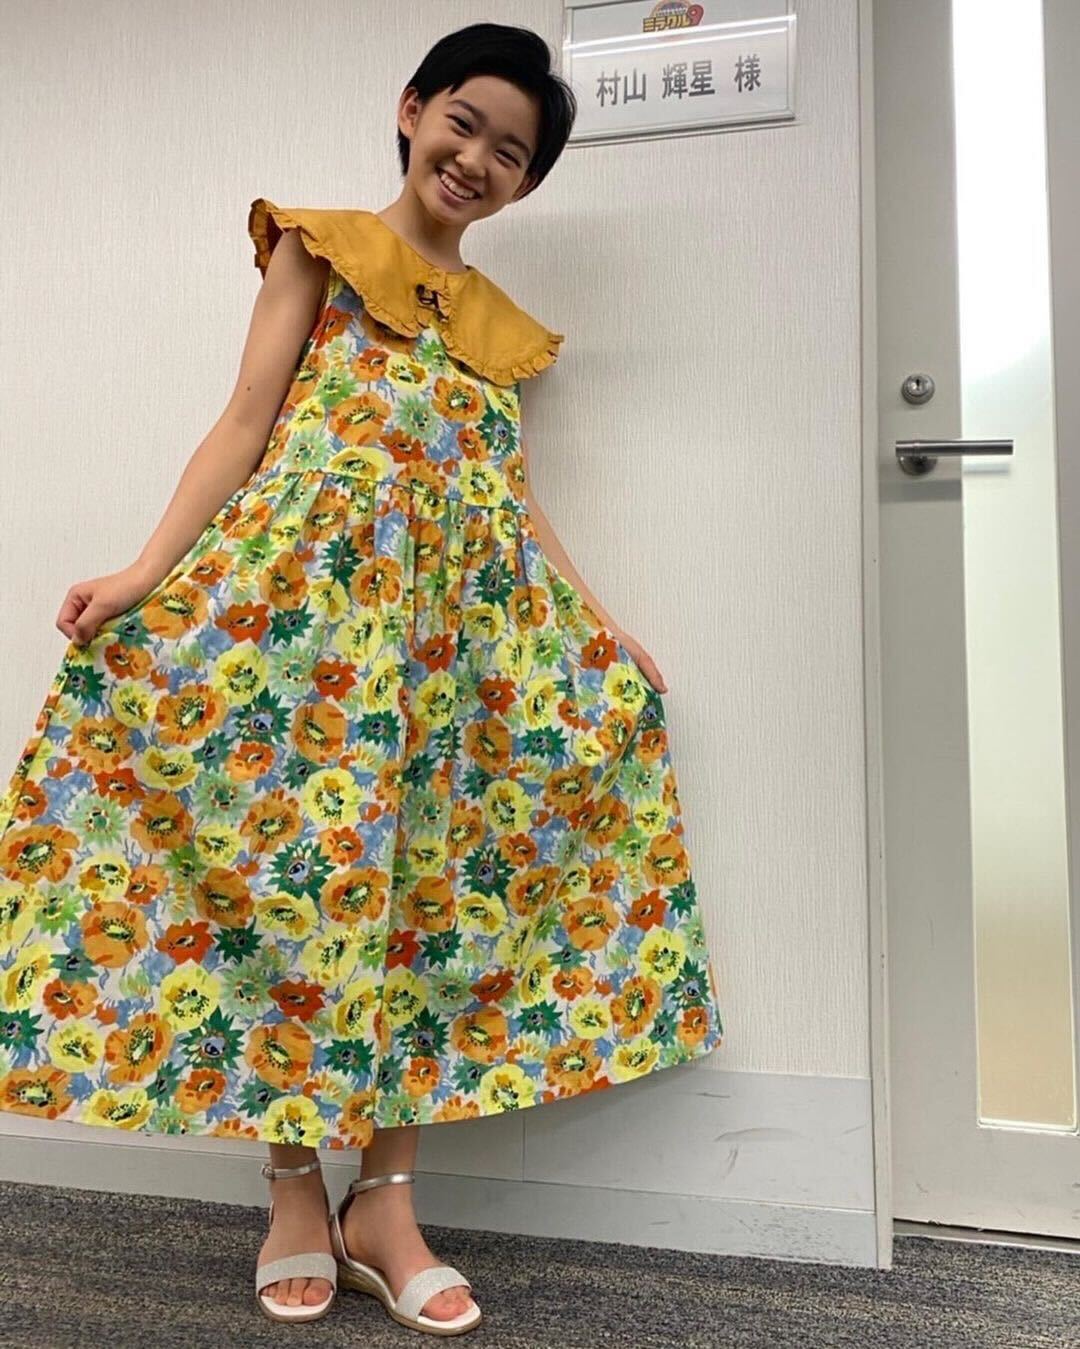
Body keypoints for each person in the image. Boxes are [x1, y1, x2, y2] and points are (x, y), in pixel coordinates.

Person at [0, 21, 725, 1336]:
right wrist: (145, 572)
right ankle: (293, 1187)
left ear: (525, 185)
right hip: (304, 629)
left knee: (427, 899)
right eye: (465, 122)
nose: (478, 159)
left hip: (455, 649)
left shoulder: (500, 333)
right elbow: (244, 421)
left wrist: (599, 627)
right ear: (411, 110)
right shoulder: (320, 249)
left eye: (512, 153)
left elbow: (509, 499)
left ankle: (384, 1202)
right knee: (291, 882)